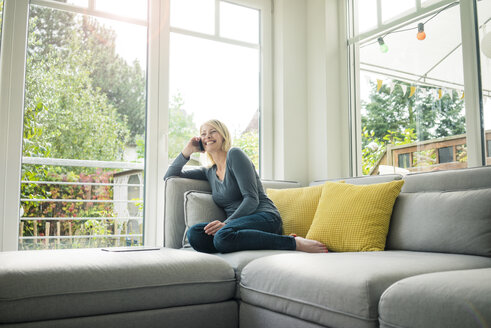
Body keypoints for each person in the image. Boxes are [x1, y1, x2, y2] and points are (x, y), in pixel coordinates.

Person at [164, 119, 328, 254]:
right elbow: (170, 175)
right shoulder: (209, 172)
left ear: (223, 136)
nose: (207, 136)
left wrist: (226, 224)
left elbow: (252, 199)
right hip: (236, 226)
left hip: (264, 217)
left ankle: (293, 242)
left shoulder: (235, 155)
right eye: (203, 134)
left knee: (222, 237)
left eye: (213, 131)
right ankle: (234, 241)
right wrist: (188, 150)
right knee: (195, 234)